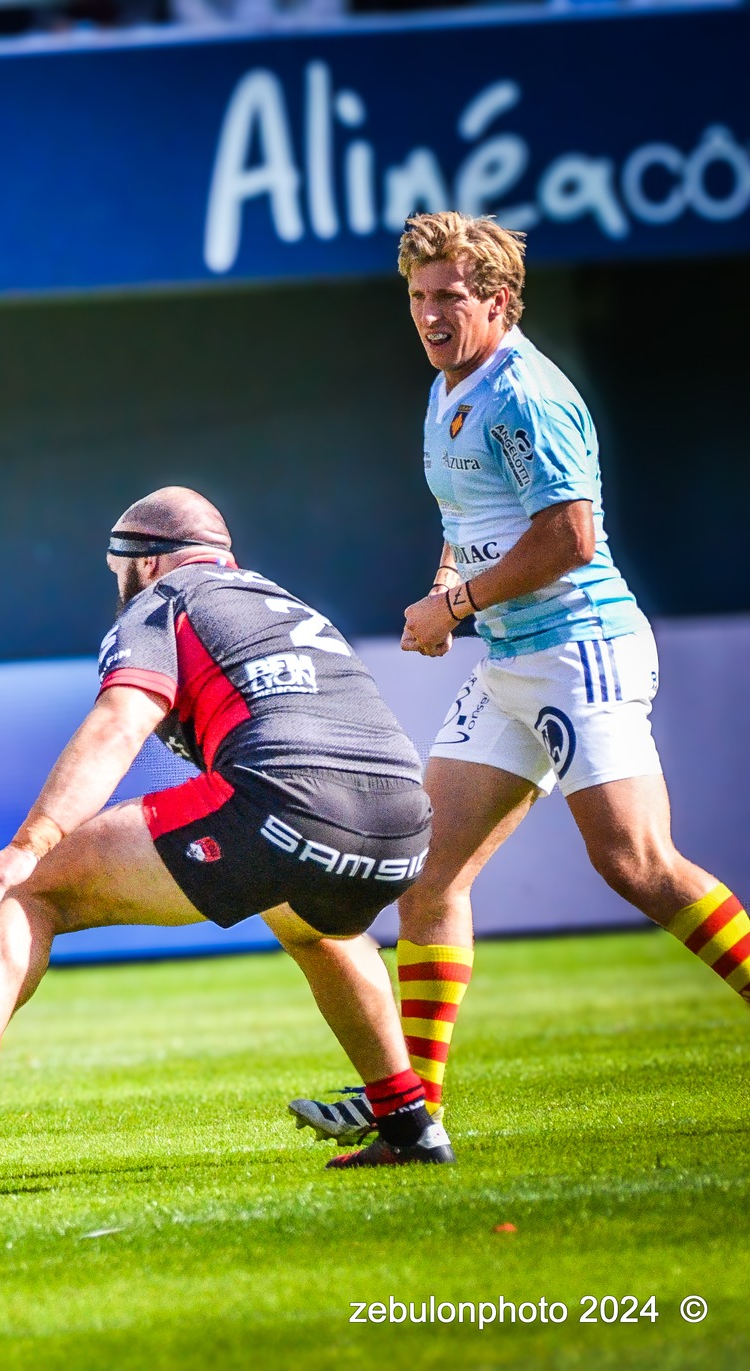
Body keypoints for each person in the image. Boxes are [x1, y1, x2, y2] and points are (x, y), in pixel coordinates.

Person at [288, 212, 746, 1156]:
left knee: (639, 865)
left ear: (499, 299)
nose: (429, 315)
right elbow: (473, 515)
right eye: (418, 298)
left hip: (580, 648)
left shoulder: (526, 393)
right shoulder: (449, 384)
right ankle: (412, 1113)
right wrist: (446, 589)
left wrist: (452, 608)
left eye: (449, 297)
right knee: (427, 878)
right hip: (509, 662)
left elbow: (570, 535)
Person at [0, 488, 454, 1169]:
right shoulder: (287, 603)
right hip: (404, 823)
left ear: (147, 563)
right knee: (312, 924)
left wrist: (28, 842)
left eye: (116, 571)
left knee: (30, 886)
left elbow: (121, 722)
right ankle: (410, 1124)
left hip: (289, 800)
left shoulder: (165, 601)